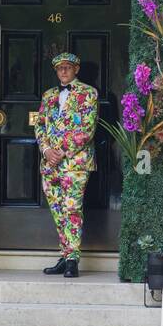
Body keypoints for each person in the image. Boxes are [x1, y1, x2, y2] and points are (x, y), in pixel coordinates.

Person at [34, 47, 98, 278]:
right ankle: (65, 254)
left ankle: (73, 259)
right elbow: (40, 125)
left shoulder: (88, 93)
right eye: (60, 68)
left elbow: (87, 129)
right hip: (49, 163)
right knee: (58, 209)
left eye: (67, 68)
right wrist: (46, 150)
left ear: (76, 70)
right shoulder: (48, 95)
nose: (63, 71)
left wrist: (60, 151)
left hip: (75, 163)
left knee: (72, 208)